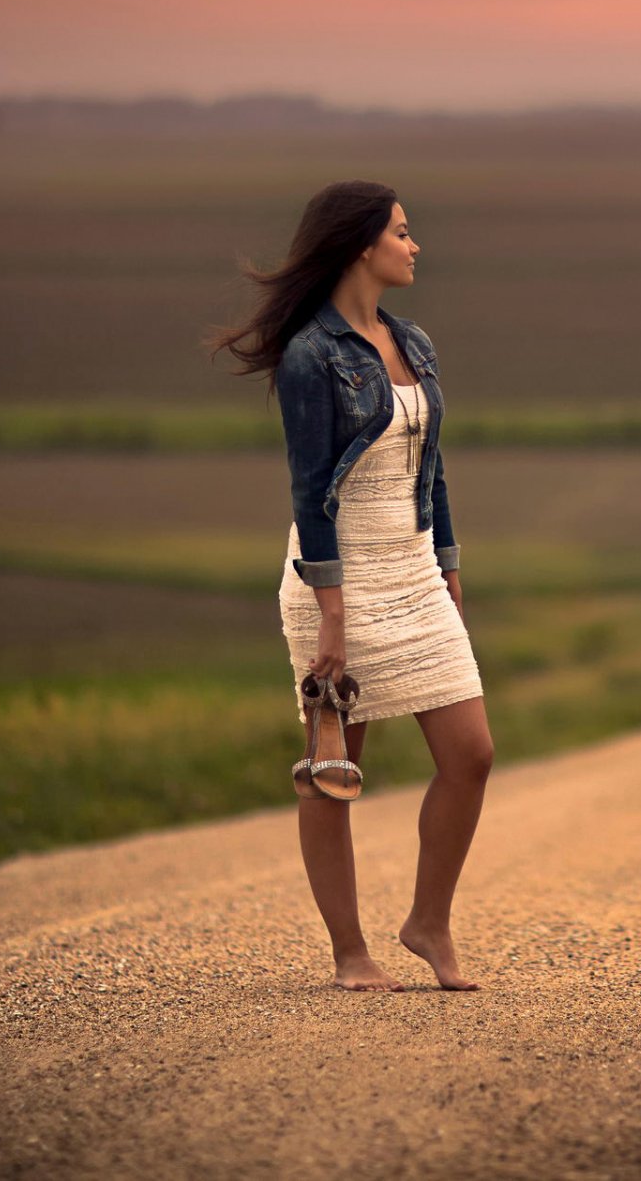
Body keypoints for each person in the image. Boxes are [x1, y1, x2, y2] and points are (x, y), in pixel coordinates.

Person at [209, 180, 493, 992]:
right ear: (363, 245)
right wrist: (332, 618)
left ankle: (427, 922)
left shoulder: (416, 341)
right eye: (403, 233)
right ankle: (349, 954)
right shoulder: (311, 355)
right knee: (334, 769)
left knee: (471, 753)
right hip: (336, 577)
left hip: (412, 568)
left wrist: (449, 562)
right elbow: (310, 492)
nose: (415, 245)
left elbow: (429, 465)